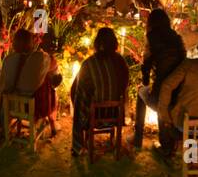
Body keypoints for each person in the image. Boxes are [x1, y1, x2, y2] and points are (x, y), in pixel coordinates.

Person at [69, 28, 130, 156]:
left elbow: (76, 90)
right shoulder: (121, 62)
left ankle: (78, 145)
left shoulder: (89, 64)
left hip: (94, 115)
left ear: (97, 43)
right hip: (115, 114)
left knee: (78, 96)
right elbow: (124, 87)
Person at [141, 9, 187, 151]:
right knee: (165, 100)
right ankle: (169, 140)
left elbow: (147, 61)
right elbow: (184, 60)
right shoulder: (176, 37)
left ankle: (141, 138)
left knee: (143, 93)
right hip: (178, 87)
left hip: (162, 86)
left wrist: (145, 80)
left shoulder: (151, 36)